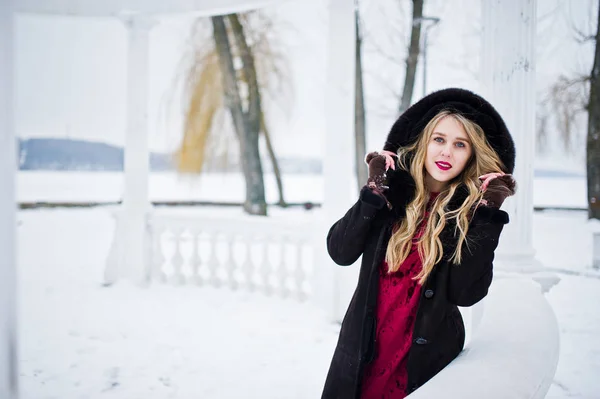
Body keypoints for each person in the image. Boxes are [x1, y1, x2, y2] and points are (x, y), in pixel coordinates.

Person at [321, 88, 517, 399]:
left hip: (423, 364)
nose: (446, 153)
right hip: (363, 352)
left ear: (472, 153)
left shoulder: (469, 215)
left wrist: (488, 214)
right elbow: (340, 251)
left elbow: (466, 294)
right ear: (423, 142)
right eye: (438, 139)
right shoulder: (390, 198)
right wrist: (373, 193)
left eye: (460, 144)